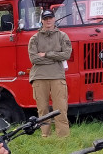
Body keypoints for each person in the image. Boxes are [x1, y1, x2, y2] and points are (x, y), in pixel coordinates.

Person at [27, 8, 72, 138]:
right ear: (41, 20)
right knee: (43, 109)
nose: (48, 21)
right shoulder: (34, 38)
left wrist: (46, 54)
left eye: (50, 18)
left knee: (61, 109)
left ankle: (63, 138)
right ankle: (46, 137)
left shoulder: (62, 36)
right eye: (45, 18)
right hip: (39, 77)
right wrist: (56, 58)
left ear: (54, 19)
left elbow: (67, 54)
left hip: (57, 76)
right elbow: (34, 59)